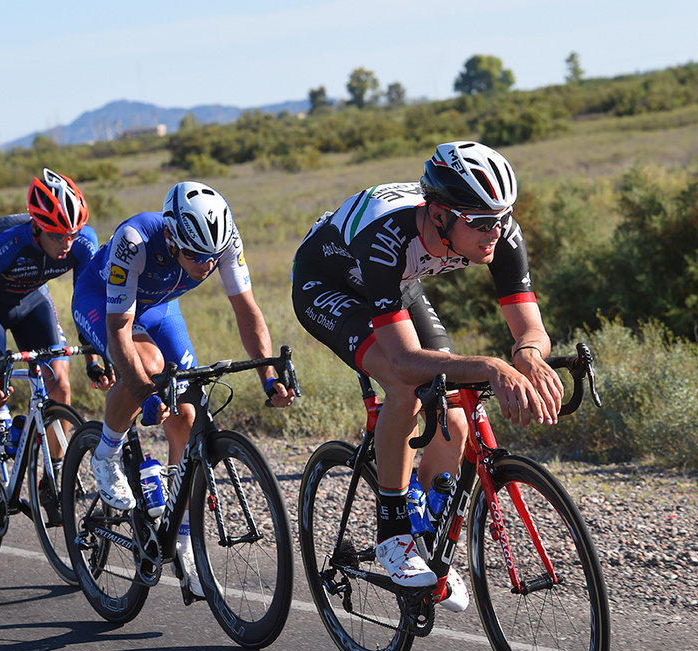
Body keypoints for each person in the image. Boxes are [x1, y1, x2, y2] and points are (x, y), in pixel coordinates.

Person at [291, 141, 564, 611]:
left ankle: (428, 535)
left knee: (456, 417)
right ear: (439, 215)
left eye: (502, 218)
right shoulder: (388, 237)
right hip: (327, 283)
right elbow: (403, 361)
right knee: (405, 386)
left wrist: (529, 356)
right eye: (480, 222)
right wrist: (491, 366)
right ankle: (394, 532)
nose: (494, 231)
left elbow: (530, 326)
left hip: (396, 285)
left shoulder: (498, 230)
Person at [71, 180, 295, 597]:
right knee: (149, 366)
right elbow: (119, 332)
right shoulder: (133, 241)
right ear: (172, 237)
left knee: (189, 416)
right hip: (103, 301)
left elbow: (247, 312)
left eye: (212, 258)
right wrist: (143, 392)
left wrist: (269, 375)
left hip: (160, 308)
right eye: (194, 255)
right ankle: (106, 452)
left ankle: (181, 535)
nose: (205, 266)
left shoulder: (222, 241)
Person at [0, 168, 102, 518]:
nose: (67, 243)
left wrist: (96, 358)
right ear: (37, 226)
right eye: (58, 235)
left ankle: (50, 479)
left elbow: (89, 302)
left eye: (73, 233)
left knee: (60, 384)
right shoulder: (2, 244)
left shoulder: (82, 243)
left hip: (32, 301)